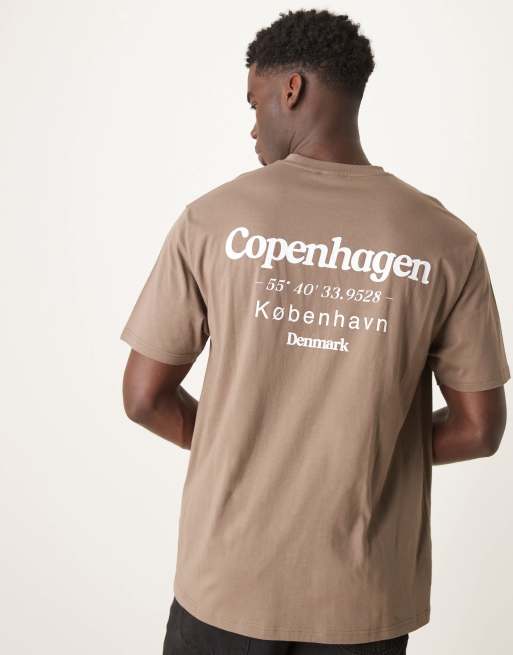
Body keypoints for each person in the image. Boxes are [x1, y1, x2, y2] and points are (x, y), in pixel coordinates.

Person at [120, 9, 510, 655]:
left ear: (292, 88)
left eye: (254, 102)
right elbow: (479, 429)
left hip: (227, 579)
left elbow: (143, 398)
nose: (252, 126)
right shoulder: (445, 240)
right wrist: (361, 455)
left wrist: (244, 448)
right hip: (363, 595)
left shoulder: (212, 220)